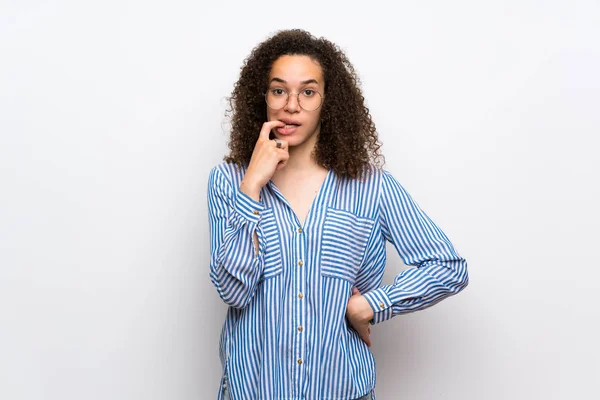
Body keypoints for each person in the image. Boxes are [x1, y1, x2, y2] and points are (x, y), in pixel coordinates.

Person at [207, 29, 469, 400]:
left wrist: (371, 305)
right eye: (279, 90)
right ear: (262, 97)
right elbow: (233, 290)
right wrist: (251, 187)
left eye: (308, 92)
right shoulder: (228, 181)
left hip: (342, 390)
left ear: (328, 101)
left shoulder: (370, 187)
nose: (291, 105)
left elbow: (447, 266)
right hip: (253, 390)